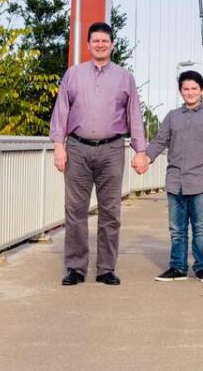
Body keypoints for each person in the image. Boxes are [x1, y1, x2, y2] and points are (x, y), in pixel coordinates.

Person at [49, 22, 148, 287]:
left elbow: (134, 115)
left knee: (110, 212)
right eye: (96, 41)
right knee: (75, 210)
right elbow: (61, 112)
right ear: (89, 45)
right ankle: (75, 268)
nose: (101, 45)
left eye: (105, 41)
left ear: (112, 45)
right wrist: (59, 145)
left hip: (112, 148)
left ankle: (106, 268)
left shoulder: (125, 77)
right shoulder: (73, 74)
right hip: (77, 148)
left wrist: (141, 151)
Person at [143, 70, 203, 283]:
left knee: (201, 227)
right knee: (176, 229)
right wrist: (146, 158)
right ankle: (177, 267)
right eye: (185, 89)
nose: (190, 93)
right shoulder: (172, 116)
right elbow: (160, 140)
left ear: (202, 90)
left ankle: (202, 268)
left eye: (194, 89)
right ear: (180, 91)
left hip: (201, 180)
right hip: (175, 181)